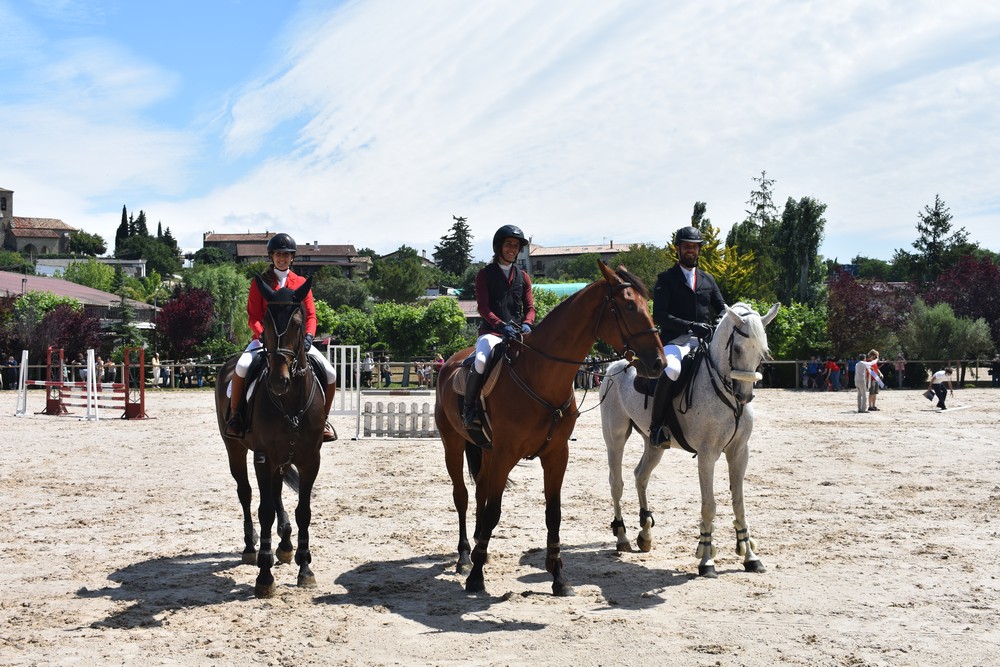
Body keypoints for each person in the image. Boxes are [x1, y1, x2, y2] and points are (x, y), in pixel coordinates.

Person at [225, 233, 338, 442]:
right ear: (272, 256)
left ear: (292, 257)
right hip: (264, 340)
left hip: (296, 342)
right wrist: (262, 335)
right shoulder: (260, 283)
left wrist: (310, 336)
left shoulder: (301, 283)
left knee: (330, 373)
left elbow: (311, 315)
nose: (282, 258)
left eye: (286, 254)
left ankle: (323, 420)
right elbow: (253, 316)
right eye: (278, 254)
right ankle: (235, 417)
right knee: (241, 367)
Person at [648, 225, 727, 447]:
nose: (691, 250)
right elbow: (660, 316)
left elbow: (722, 307)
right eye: (686, 246)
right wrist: (691, 326)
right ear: (678, 249)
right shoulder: (666, 279)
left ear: (699, 249)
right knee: (672, 370)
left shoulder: (708, 280)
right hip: (676, 341)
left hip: (705, 341)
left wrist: (718, 321)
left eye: (694, 246)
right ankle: (656, 427)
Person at [462, 224, 535, 435]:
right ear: (498, 247)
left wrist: (527, 323)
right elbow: (483, 307)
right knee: (482, 360)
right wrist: (500, 325)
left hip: (520, 332)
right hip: (492, 333)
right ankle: (469, 410)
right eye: (509, 244)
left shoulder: (524, 277)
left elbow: (530, 307)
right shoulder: (485, 274)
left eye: (516, 246)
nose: (513, 249)